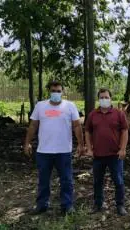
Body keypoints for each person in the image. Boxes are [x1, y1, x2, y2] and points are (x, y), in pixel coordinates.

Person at [24, 81, 84, 215]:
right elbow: (33, 125)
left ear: (62, 92)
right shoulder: (40, 106)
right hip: (44, 151)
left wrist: (81, 144)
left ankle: (67, 206)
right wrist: (27, 142)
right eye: (53, 91)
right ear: (49, 92)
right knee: (43, 180)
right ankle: (42, 205)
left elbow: (77, 126)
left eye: (58, 91)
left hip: (64, 151)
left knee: (66, 180)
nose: (56, 93)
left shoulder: (70, 106)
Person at [85, 88, 129, 216]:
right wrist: (89, 148)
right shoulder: (93, 114)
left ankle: (120, 205)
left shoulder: (119, 114)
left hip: (115, 155)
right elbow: (87, 131)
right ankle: (98, 204)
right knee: (97, 181)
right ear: (98, 99)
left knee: (119, 181)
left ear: (111, 98)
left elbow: (125, 131)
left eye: (106, 97)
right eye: (102, 97)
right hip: (98, 155)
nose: (104, 99)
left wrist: (123, 149)